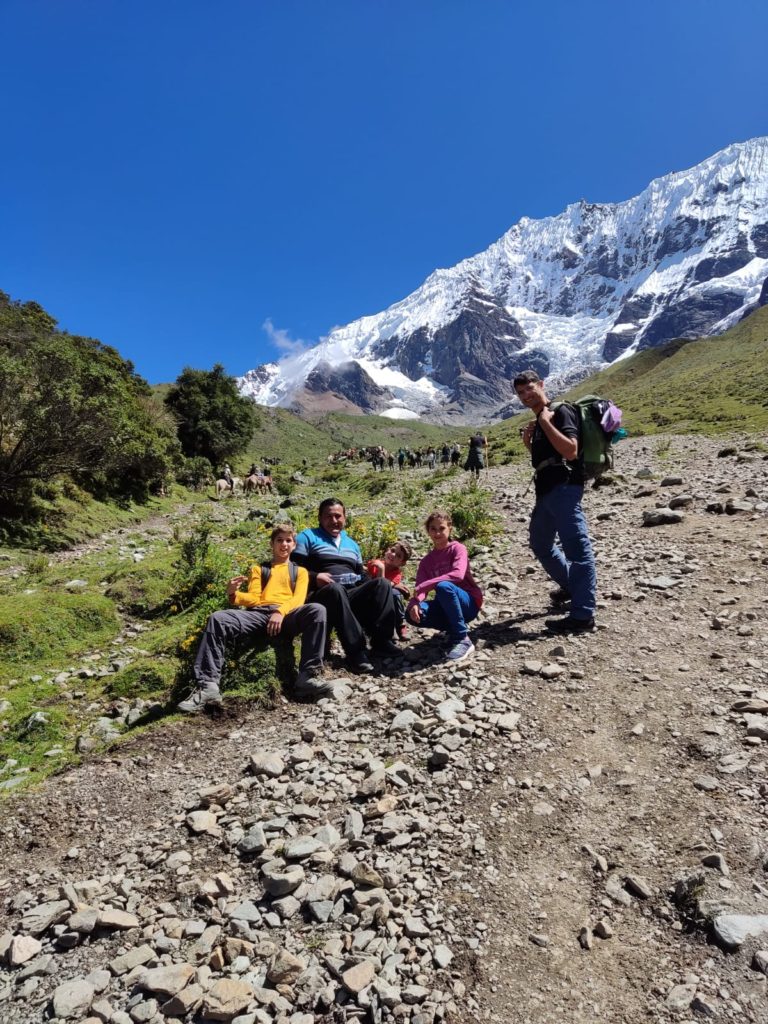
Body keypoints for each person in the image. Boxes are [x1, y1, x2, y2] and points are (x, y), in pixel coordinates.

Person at [178, 525, 331, 712]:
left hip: (288, 615)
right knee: (218, 618)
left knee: (317, 610)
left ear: (294, 545)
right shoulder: (259, 569)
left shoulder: (300, 572)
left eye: (288, 540)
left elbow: (298, 599)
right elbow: (255, 598)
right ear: (272, 544)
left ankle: (308, 676)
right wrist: (234, 595)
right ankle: (208, 686)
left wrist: (280, 613)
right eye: (279, 540)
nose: (284, 544)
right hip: (258, 614)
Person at [514, 369, 597, 633]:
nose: (526, 395)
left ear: (541, 385)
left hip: (564, 488)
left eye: (529, 388)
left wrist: (546, 423)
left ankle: (583, 615)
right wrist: (530, 443)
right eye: (520, 392)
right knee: (540, 543)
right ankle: (572, 587)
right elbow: (546, 458)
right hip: (546, 492)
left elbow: (570, 451)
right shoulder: (539, 421)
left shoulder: (560, 411)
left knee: (577, 549)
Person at [292, 498, 401, 672]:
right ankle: (356, 653)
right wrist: (314, 576)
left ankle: (382, 641)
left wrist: (373, 587)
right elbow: (294, 569)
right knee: (336, 589)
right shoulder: (307, 536)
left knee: (382, 584)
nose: (334, 521)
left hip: (350, 591)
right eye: (328, 516)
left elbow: (361, 574)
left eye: (338, 516)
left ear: (345, 518)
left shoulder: (352, 544)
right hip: (323, 594)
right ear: (320, 518)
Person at [406, 510, 482, 661]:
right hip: (447, 603)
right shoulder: (426, 561)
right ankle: (452, 629)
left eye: (441, 528)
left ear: (449, 528)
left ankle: (462, 639)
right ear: (428, 531)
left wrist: (426, 585)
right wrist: (414, 603)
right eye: (433, 529)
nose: (437, 533)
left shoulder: (457, 548)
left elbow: (458, 574)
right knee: (411, 614)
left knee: (443, 586)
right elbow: (420, 588)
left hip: (469, 603)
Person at [367, 540, 413, 640]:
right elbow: (366, 575)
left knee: (395, 594)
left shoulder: (396, 573)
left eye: (398, 556)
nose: (393, 555)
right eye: (392, 550)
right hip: (371, 598)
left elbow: (384, 588)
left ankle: (400, 625)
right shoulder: (375, 563)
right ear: (387, 550)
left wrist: (381, 570)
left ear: (402, 563)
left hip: (386, 601)